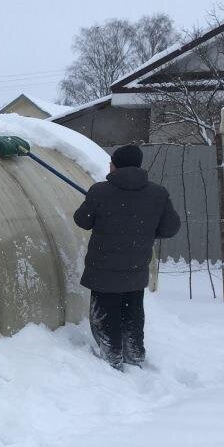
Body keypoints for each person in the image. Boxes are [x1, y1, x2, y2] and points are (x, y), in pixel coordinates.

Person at [73, 144, 181, 369]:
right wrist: (145, 231)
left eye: (110, 162)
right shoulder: (158, 194)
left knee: (106, 316)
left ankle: (112, 360)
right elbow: (170, 228)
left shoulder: (100, 191)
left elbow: (82, 220)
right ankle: (135, 355)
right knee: (132, 313)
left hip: (103, 270)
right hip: (135, 268)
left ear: (115, 165)